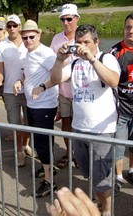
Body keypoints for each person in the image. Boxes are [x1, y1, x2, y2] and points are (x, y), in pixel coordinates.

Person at [50, 24, 121, 215]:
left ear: (96, 42)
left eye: (86, 42)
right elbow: (56, 78)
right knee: (89, 173)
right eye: (79, 43)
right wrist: (59, 60)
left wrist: (91, 58)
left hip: (101, 131)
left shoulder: (107, 58)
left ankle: (106, 211)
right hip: (79, 128)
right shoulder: (74, 64)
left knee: (101, 178)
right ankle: (99, 200)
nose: (82, 47)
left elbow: (113, 81)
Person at [13, 19, 58, 197]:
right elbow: (27, 74)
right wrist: (19, 81)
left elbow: (58, 75)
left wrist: (43, 86)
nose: (28, 40)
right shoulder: (27, 53)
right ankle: (49, 168)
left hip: (45, 105)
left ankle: (49, 182)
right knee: (40, 140)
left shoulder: (47, 53)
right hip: (32, 104)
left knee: (42, 142)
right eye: (25, 38)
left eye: (32, 37)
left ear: (38, 35)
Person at [0, 14, 30, 167]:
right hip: (10, 91)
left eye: (14, 25)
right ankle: (19, 152)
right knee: (15, 124)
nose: (11, 28)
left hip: (29, 90)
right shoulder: (1, 45)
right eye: (9, 26)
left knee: (28, 123)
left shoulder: (29, 42)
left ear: (20, 27)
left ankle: (25, 145)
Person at [50, 3, 80, 169]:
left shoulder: (83, 36)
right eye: (63, 19)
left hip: (81, 90)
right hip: (63, 90)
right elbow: (51, 64)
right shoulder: (56, 39)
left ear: (76, 18)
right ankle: (70, 153)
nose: (66, 22)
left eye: (69, 19)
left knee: (81, 124)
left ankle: (81, 154)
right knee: (66, 123)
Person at [108, 12, 133, 195]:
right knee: (118, 146)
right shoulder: (114, 52)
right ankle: (117, 177)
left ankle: (131, 170)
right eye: (128, 27)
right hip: (121, 110)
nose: (130, 30)